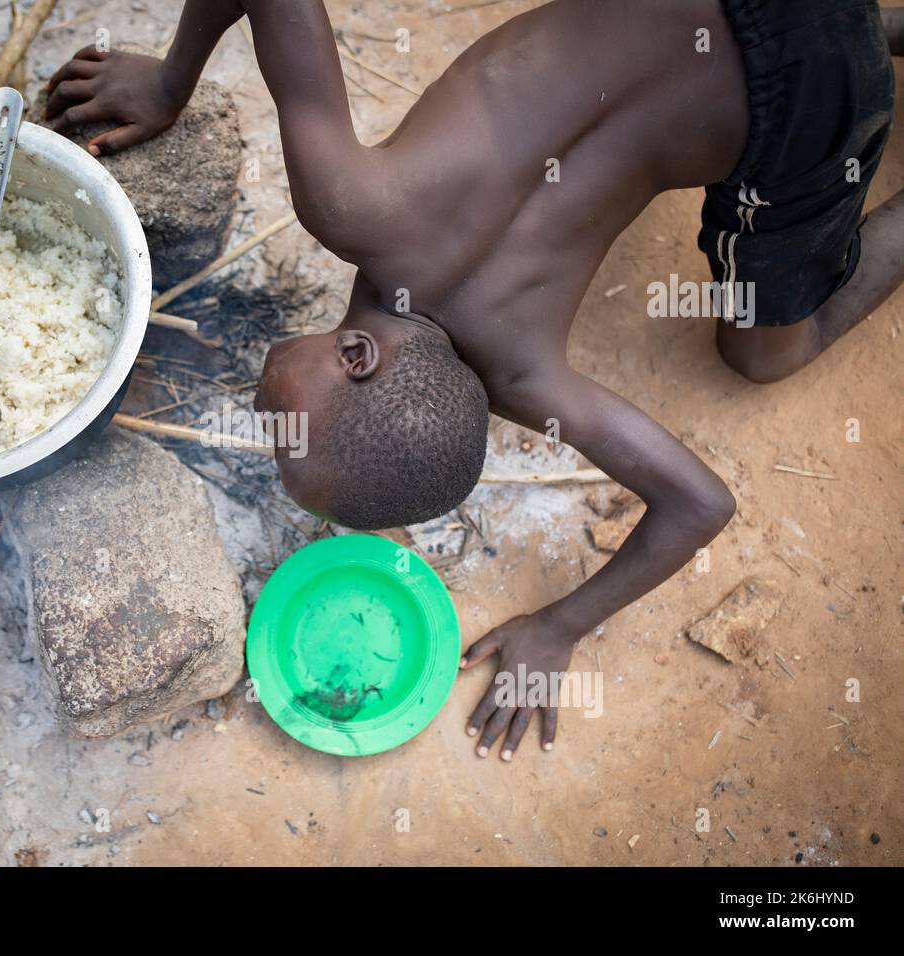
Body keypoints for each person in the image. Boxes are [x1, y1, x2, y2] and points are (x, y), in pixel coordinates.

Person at [45, 0, 900, 760]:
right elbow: (703, 504)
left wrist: (563, 628)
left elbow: (700, 503)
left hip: (812, 90)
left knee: (764, 357)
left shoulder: (529, 376)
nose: (268, 425)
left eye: (279, 434)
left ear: (358, 357)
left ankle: (872, 32)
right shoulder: (352, 203)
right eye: (284, 434)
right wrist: (171, 81)